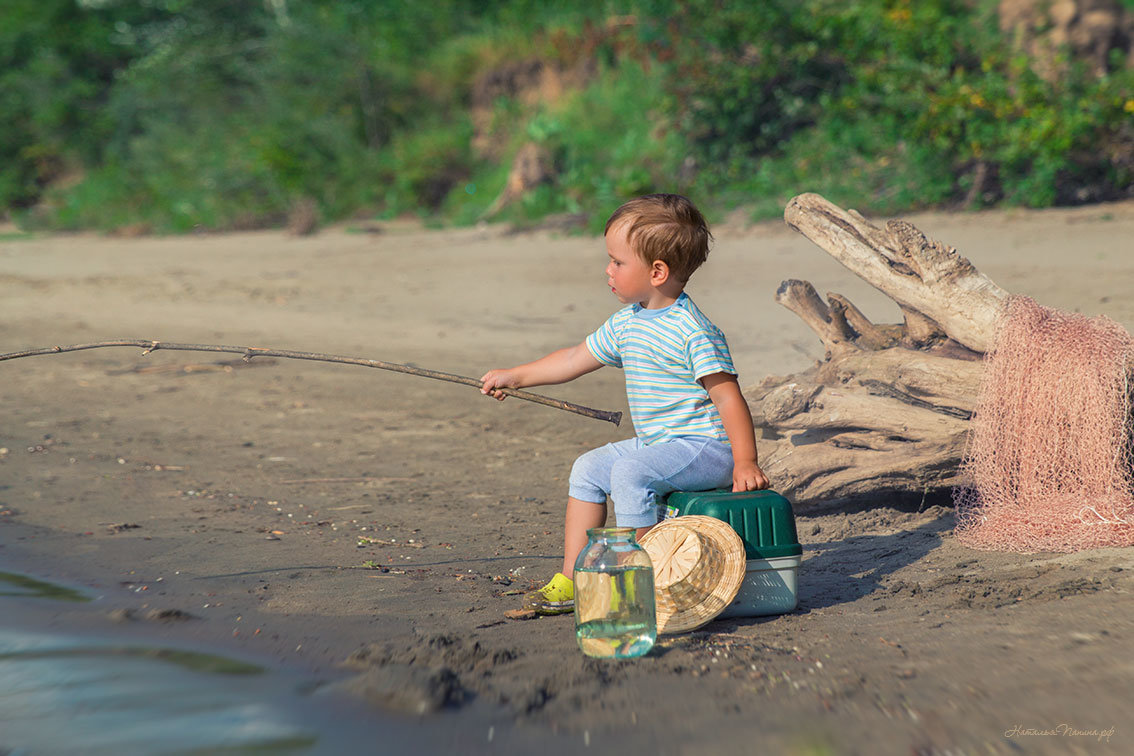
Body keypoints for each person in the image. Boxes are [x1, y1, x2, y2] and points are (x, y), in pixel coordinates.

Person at [480, 193, 769, 615]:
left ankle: (641, 587)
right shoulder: (628, 321)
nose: (607, 270)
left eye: (617, 262)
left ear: (657, 271)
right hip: (660, 444)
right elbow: (575, 358)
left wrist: (744, 461)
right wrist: (516, 375)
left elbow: (728, 397)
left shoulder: (694, 330)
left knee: (631, 472)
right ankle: (573, 580)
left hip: (705, 447)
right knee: (588, 468)